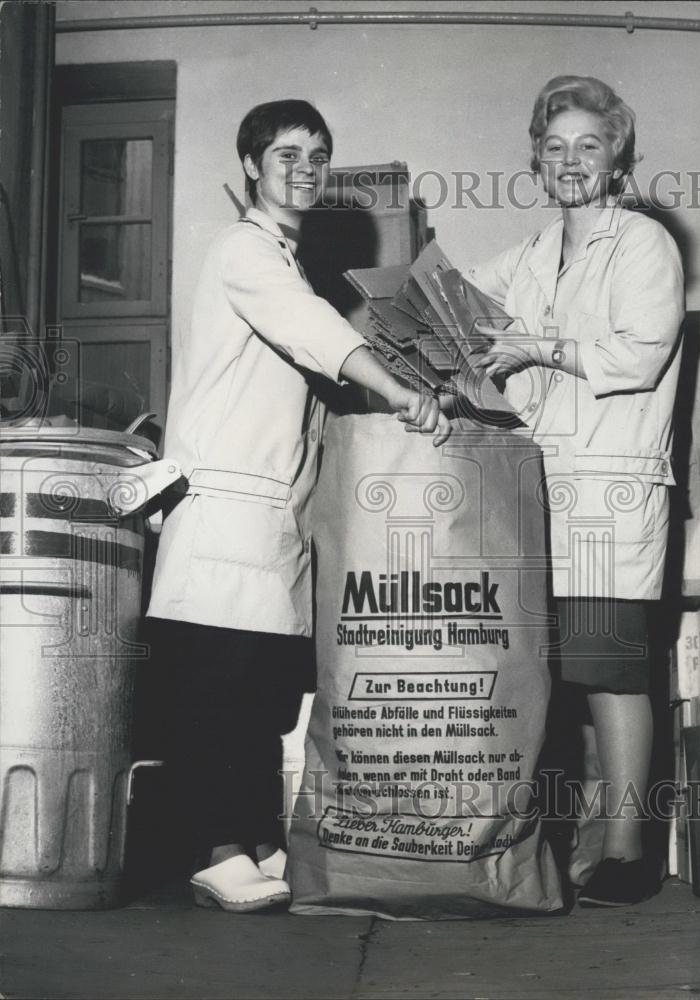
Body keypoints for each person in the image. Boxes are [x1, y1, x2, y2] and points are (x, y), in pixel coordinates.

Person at [146, 99, 450, 912]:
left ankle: (255, 843)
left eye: (317, 154)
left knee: (256, 699)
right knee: (217, 692)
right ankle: (216, 852)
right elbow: (308, 328)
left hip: (269, 517)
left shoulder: (283, 256)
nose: (305, 168)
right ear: (251, 165)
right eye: (286, 153)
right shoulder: (244, 250)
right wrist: (398, 390)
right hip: (223, 511)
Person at [465, 75, 684, 906]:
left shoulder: (642, 244)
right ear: (533, 156)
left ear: (616, 153)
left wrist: (535, 349)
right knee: (545, 671)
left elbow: (638, 353)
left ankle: (628, 850)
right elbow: (463, 318)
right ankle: (550, 843)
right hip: (534, 487)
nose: (569, 160)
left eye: (588, 145)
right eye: (554, 146)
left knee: (611, 669)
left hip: (612, 487)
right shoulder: (523, 257)